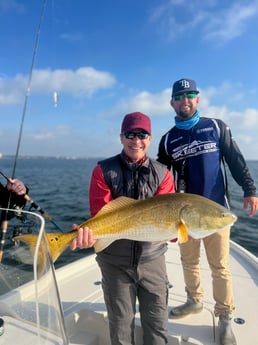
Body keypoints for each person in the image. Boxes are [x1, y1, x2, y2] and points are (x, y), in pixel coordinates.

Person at [157, 78, 258, 345]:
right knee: (189, 262)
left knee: (220, 267)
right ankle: (194, 301)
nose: (185, 100)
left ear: (198, 99)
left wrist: (249, 188)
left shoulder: (215, 127)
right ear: (172, 103)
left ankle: (224, 317)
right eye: (180, 96)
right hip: (183, 217)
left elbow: (235, 160)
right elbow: (160, 179)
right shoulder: (167, 140)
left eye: (190, 95)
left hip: (216, 213)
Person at [70, 111, 175, 345]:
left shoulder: (163, 173)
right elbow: (100, 215)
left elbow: (168, 220)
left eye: (142, 134)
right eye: (130, 134)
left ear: (150, 139)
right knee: (120, 326)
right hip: (114, 262)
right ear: (121, 137)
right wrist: (89, 236)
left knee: (158, 324)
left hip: (152, 260)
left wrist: (183, 232)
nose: (136, 140)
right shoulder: (103, 170)